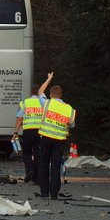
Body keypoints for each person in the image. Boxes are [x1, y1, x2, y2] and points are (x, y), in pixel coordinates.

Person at [36, 72, 75, 200]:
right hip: (60, 140)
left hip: (46, 138)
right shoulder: (69, 109)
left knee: (44, 165)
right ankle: (54, 194)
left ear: (51, 95)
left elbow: (40, 91)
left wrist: (48, 80)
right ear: (61, 95)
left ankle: (44, 192)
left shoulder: (47, 103)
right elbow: (71, 125)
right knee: (56, 166)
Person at [12, 84, 43, 183]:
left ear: (31, 92)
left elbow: (19, 118)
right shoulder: (44, 103)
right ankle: (37, 178)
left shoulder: (25, 103)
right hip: (41, 131)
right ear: (39, 93)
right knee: (38, 154)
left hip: (28, 131)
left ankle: (29, 170)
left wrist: (15, 132)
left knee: (26, 153)